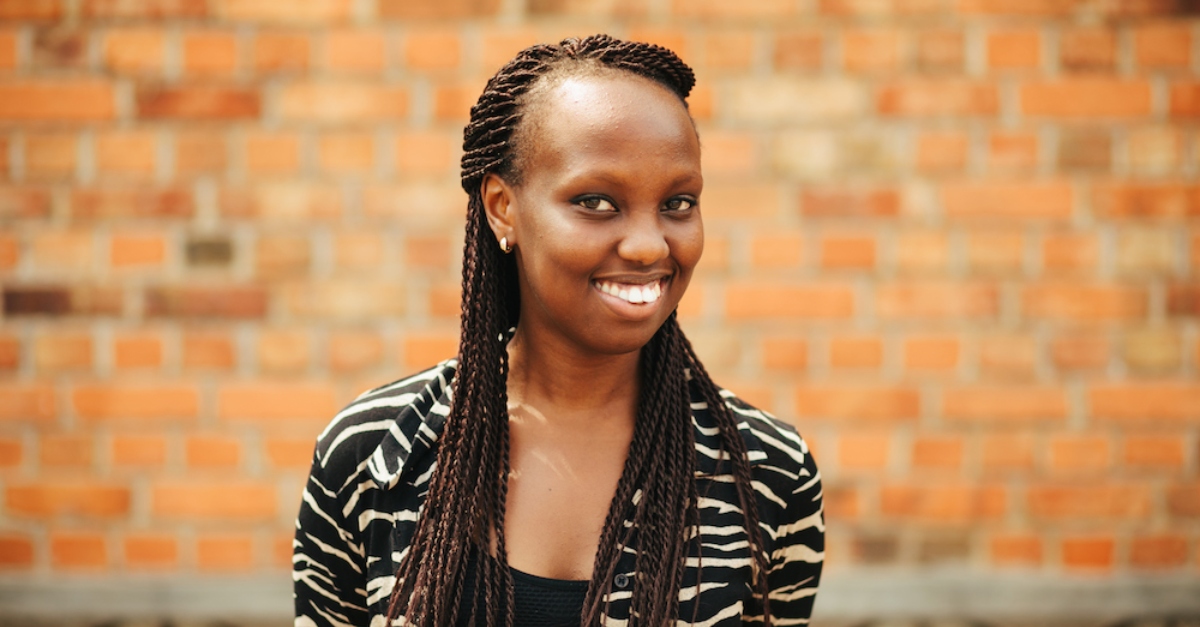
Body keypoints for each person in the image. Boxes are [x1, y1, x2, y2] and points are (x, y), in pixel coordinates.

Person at [293, 34, 824, 627]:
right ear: (502, 207)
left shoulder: (763, 471)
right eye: (597, 202)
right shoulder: (376, 454)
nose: (649, 244)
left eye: (678, 202)